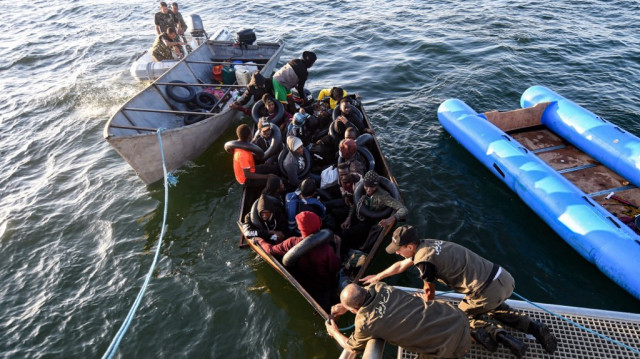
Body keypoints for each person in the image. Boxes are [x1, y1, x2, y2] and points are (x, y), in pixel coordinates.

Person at [361, 225, 558, 358]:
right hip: (503, 278)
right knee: (492, 307)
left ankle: (500, 337)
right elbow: (400, 266)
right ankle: (533, 327)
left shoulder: (424, 262)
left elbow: (428, 293)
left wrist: (425, 302)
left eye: (398, 249)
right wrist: (378, 277)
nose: (397, 253)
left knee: (457, 319)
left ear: (410, 247)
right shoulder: (427, 244)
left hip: (485, 290)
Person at [326, 283, 471, 359]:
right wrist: (346, 305)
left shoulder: (365, 323)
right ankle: (483, 331)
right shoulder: (380, 287)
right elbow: (365, 290)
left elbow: (351, 346)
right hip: (457, 316)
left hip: (449, 345)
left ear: (353, 310)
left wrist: (334, 332)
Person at [256, 211, 341, 310]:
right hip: (325, 284)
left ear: (300, 228)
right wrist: (338, 245)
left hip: (306, 280)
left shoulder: (291, 242)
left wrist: (260, 240)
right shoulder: (326, 249)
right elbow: (336, 267)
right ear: (319, 225)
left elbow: (270, 250)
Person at [341, 171, 407, 253]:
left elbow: (403, 209)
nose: (368, 190)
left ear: (376, 185)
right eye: (366, 186)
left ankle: (361, 249)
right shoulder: (361, 189)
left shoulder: (384, 196)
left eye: (372, 187)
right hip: (360, 216)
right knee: (341, 224)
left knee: (347, 234)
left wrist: (391, 219)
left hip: (371, 222)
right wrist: (349, 218)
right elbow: (356, 203)